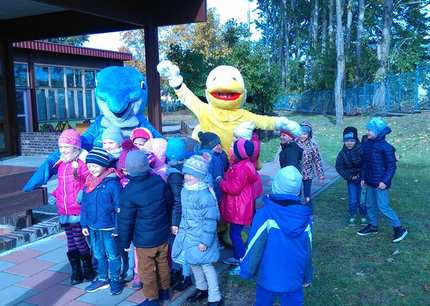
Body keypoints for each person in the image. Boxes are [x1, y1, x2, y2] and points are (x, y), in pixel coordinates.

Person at [240, 166, 312, 306]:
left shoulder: (265, 215)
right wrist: (307, 276)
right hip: (294, 277)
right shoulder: (305, 219)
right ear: (298, 190)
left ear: (276, 185)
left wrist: (247, 270)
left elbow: (254, 245)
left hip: (268, 277)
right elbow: (308, 250)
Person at [119, 150, 172, 305]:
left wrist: (124, 243)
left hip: (144, 241)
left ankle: (152, 298)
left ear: (128, 169)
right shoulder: (159, 181)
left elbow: (125, 221)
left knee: (146, 270)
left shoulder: (128, 191)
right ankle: (165, 292)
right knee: (162, 263)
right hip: (162, 234)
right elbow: (169, 204)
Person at [172, 154, 223, 306]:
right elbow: (184, 213)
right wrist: (180, 228)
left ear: (200, 176)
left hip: (202, 238)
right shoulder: (185, 190)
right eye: (186, 173)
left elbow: (210, 221)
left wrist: (205, 242)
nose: (187, 176)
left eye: (191, 174)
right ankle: (202, 288)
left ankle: (215, 296)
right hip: (189, 235)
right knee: (193, 263)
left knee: (207, 266)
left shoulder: (205, 196)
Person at [53, 129, 94, 285]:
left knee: (79, 239)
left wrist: (82, 196)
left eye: (66, 147)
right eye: (61, 147)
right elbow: (62, 184)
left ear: (76, 148)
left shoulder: (82, 164)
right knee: (70, 240)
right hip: (64, 210)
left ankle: (88, 266)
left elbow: (89, 181)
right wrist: (56, 193)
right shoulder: (61, 164)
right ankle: (76, 270)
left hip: (77, 210)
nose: (63, 150)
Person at [357, 117, 408, 243]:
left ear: (379, 132)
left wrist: (385, 181)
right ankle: (373, 226)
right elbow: (365, 163)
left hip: (381, 184)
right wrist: (363, 177)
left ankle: (399, 228)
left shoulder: (386, 147)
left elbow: (391, 166)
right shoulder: (367, 144)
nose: (368, 132)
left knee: (383, 206)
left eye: (371, 130)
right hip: (369, 181)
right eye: (368, 129)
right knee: (369, 205)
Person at [80, 147, 122, 295]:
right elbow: (84, 205)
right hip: (93, 226)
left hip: (109, 227)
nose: (92, 169)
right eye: (89, 166)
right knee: (98, 254)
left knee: (112, 254)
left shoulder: (112, 183)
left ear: (104, 165)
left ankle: (115, 279)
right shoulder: (88, 183)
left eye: (95, 166)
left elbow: (119, 207)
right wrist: (84, 223)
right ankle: (103, 278)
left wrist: (118, 228)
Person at [101, 126, 136, 283]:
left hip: (127, 204)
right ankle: (122, 266)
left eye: (110, 142)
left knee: (128, 238)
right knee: (117, 239)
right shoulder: (106, 159)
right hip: (113, 206)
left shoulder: (126, 155)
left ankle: (131, 268)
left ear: (119, 142)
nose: (106, 146)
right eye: (104, 143)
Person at [219, 139, 258, 271]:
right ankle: (238, 256)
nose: (230, 149)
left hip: (239, 206)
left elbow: (234, 188)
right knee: (235, 233)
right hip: (242, 205)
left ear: (239, 152)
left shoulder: (241, 168)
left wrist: (221, 182)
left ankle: (241, 261)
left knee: (235, 234)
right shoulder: (245, 164)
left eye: (232, 147)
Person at [165, 137, 192, 291]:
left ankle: (183, 275)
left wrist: (174, 222)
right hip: (184, 215)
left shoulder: (174, 175)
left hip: (178, 218)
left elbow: (177, 201)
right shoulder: (185, 169)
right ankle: (179, 272)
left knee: (178, 246)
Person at [335, 127, 367, 226]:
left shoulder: (362, 150)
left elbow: (366, 164)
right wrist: (349, 176)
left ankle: (363, 215)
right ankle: (352, 215)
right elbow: (339, 167)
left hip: (362, 179)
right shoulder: (342, 153)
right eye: (346, 141)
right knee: (353, 199)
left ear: (356, 140)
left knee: (362, 200)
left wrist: (362, 177)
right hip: (351, 180)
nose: (349, 143)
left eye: (352, 141)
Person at [298, 121, 324, 206]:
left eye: (305, 134)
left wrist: (320, 173)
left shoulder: (313, 146)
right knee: (297, 194)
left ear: (309, 134)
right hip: (296, 174)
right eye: (301, 133)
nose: (302, 136)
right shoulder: (294, 144)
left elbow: (317, 160)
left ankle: (309, 211)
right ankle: (296, 210)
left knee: (307, 194)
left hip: (308, 174)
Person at [198, 131, 229, 201]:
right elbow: (213, 180)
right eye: (216, 145)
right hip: (213, 195)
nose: (219, 146)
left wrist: (222, 155)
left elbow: (225, 167)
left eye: (219, 143)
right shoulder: (209, 159)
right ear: (209, 146)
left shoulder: (218, 155)